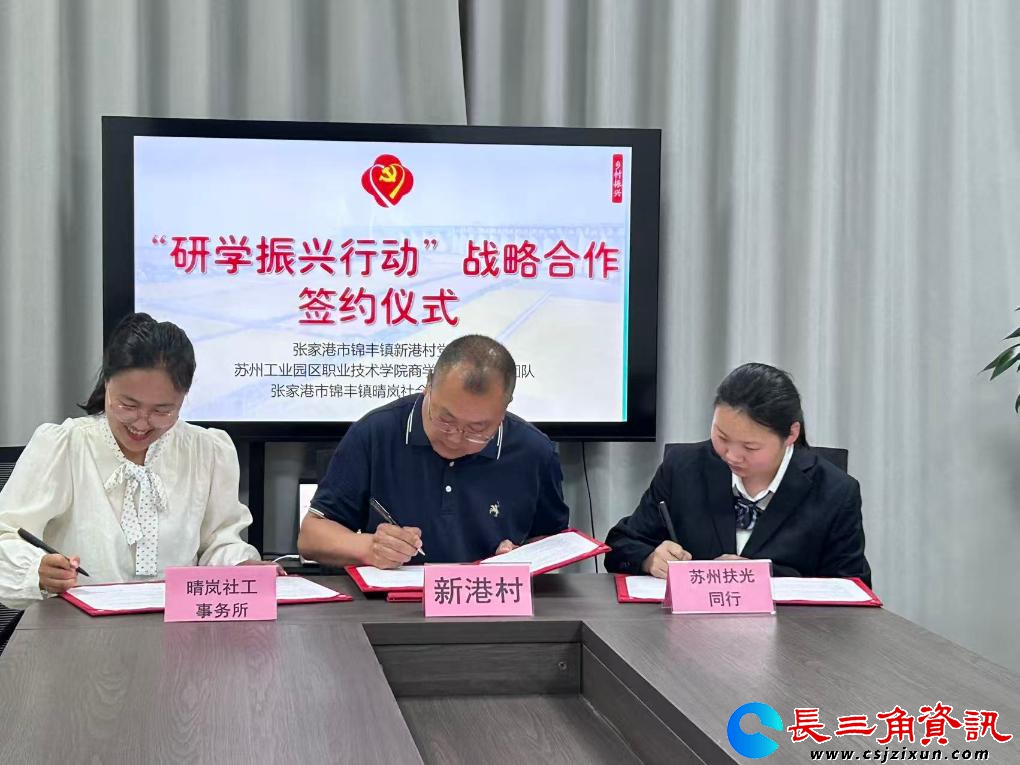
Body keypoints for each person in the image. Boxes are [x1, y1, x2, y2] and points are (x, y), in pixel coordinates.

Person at [0, 313, 274, 610]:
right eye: (128, 405)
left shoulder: (206, 451)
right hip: (79, 627)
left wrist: (241, 567)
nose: (142, 424)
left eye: (162, 411)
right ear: (107, 383)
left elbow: (219, 541)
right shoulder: (66, 446)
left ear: (183, 399)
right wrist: (38, 570)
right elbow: (7, 535)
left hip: (177, 624)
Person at [298, 334, 569, 568]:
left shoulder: (534, 452)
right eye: (445, 419)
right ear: (428, 385)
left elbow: (553, 541)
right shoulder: (376, 433)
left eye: (477, 429)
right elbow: (311, 536)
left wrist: (524, 558)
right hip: (391, 605)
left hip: (491, 601)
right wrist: (370, 547)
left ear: (505, 408)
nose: (456, 437)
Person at [605, 363, 871, 586]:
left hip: (791, 631)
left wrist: (757, 577)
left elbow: (852, 587)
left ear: (791, 434)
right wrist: (649, 558)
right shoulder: (684, 468)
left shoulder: (835, 491)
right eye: (721, 437)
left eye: (750, 447)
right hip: (690, 627)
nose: (731, 455)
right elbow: (620, 544)